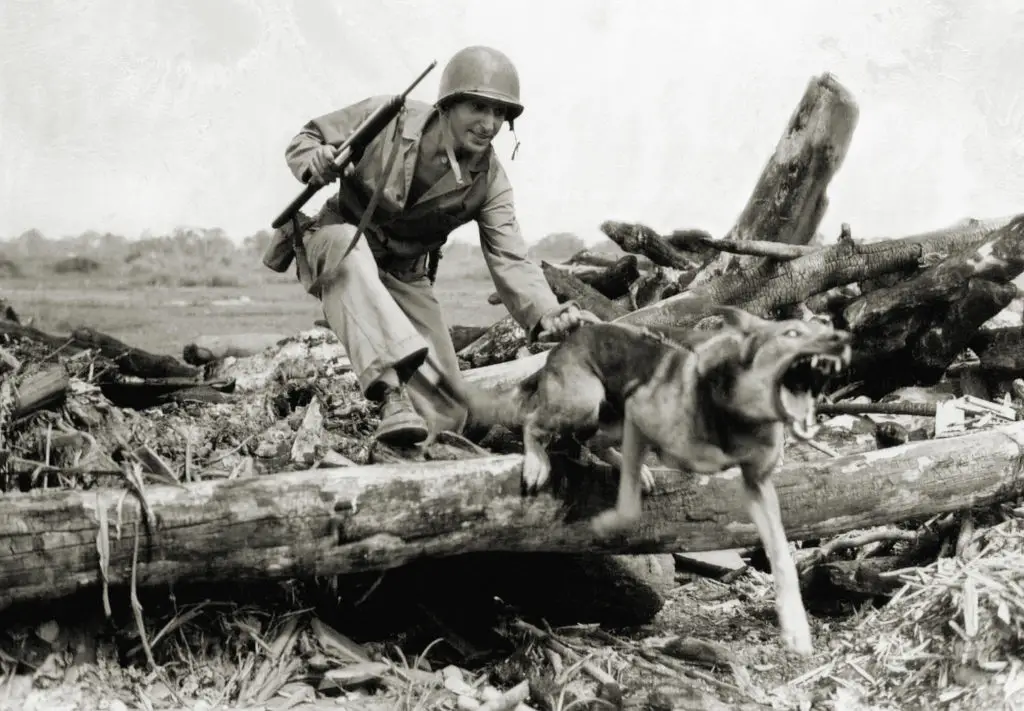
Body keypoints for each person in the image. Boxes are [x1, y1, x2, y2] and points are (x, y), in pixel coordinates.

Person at [278, 45, 597, 447]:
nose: (489, 124)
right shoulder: (388, 119)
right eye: (478, 108)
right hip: (341, 238)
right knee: (347, 251)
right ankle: (390, 396)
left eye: (500, 113)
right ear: (447, 105)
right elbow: (306, 139)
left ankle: (407, 457)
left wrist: (548, 313)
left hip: (404, 272)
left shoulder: (490, 182)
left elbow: (510, 257)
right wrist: (318, 160)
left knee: (448, 410)